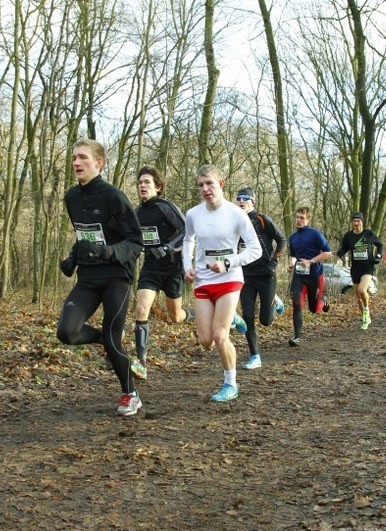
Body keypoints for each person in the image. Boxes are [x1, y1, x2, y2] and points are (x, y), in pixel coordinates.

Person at [56, 139, 144, 416]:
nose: (76, 163)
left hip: (117, 276)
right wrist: (73, 258)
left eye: (82, 157)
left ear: (99, 162)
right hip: (88, 277)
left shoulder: (114, 197)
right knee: (66, 332)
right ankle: (105, 341)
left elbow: (136, 242)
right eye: (73, 159)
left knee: (113, 337)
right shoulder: (71, 197)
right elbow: (85, 235)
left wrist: (107, 252)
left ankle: (130, 394)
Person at [183, 165, 261, 402]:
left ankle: (230, 384)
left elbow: (255, 250)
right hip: (204, 281)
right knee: (206, 341)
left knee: (219, 336)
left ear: (221, 183)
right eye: (201, 185)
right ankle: (233, 318)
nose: (205, 189)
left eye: (210, 183)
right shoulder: (193, 214)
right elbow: (188, 240)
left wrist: (228, 262)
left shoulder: (236, 214)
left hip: (229, 279)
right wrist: (187, 265)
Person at [133, 166, 194, 380]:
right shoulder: (137, 213)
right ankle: (141, 363)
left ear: (158, 187)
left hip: (172, 269)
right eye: (140, 182)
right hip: (150, 269)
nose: (142, 185)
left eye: (147, 182)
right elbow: (134, 239)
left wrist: (167, 248)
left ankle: (194, 313)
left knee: (175, 317)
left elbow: (187, 231)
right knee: (141, 309)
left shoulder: (165, 207)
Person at [235, 187, 287, 370]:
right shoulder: (233, 222)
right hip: (245, 276)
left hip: (265, 274)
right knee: (247, 315)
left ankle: (275, 301)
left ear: (252, 201)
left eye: (245, 198)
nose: (241, 201)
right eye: (238, 198)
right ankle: (254, 355)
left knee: (266, 320)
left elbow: (281, 240)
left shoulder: (261, 219)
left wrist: (273, 263)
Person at [287, 207, 332, 345]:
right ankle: (297, 336)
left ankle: (323, 301)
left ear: (308, 219)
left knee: (313, 309)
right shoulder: (293, 237)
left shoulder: (315, 234)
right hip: (299, 275)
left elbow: (328, 252)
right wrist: (291, 263)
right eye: (297, 217)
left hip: (315, 275)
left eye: (302, 218)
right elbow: (293, 254)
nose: (298, 220)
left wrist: (311, 261)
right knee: (296, 303)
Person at [336, 212, 383, 329]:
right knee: (358, 296)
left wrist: (378, 256)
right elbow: (345, 248)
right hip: (355, 267)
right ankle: (365, 316)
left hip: (368, 266)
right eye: (354, 221)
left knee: (362, 290)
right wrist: (340, 252)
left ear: (362, 222)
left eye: (358, 221)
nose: (356, 223)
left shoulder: (368, 234)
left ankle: (366, 312)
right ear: (352, 223)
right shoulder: (348, 236)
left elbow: (380, 245)